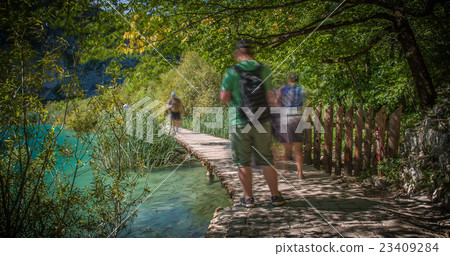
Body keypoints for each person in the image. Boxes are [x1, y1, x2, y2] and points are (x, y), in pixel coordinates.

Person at [220, 40, 285, 208]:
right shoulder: (263, 69)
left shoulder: (232, 72)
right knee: (266, 158)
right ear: (253, 52)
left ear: (237, 54)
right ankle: (275, 196)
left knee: (243, 161)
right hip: (262, 120)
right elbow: (271, 97)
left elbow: (224, 98)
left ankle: (248, 199)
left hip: (240, 121)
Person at [272, 72, 307, 179]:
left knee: (287, 146)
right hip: (297, 117)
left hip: (285, 117)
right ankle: (300, 172)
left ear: (288, 79)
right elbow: (304, 102)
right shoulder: (302, 89)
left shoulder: (282, 89)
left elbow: (276, 103)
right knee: (298, 147)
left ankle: (285, 171)